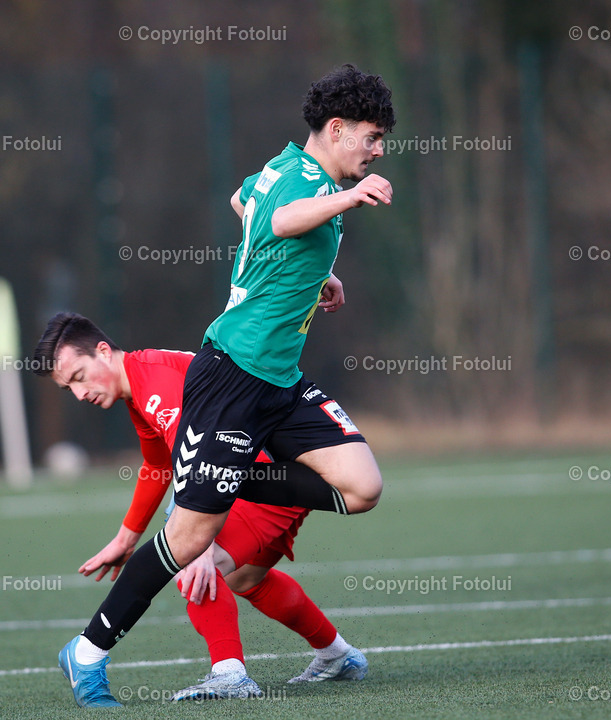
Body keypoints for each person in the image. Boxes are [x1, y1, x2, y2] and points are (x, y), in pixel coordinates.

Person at [52, 63, 395, 708]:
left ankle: (237, 484)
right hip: (232, 376)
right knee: (190, 542)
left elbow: (246, 207)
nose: (377, 151)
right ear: (339, 129)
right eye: (372, 138)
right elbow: (283, 219)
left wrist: (306, 279)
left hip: (279, 383)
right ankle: (89, 651)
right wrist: (349, 199)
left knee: (363, 486)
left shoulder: (283, 168)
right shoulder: (308, 183)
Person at [33, 312, 369, 701]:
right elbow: (159, 466)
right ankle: (336, 655)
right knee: (245, 579)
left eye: (78, 376)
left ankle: (228, 674)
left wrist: (201, 541)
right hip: (269, 478)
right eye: (68, 388)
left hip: (256, 477)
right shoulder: (141, 385)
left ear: (103, 352)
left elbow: (203, 460)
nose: (79, 393)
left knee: (190, 563)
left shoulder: (154, 382)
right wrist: (126, 538)